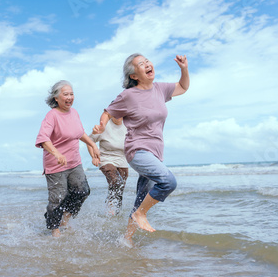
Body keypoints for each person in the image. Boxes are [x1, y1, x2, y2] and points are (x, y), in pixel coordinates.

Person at [93, 53, 189, 246]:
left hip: (155, 153)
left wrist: (184, 68)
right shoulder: (128, 95)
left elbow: (183, 87)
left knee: (142, 197)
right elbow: (108, 111)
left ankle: (126, 240)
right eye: (140, 64)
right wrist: (102, 126)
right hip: (137, 151)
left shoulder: (160, 89)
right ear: (134, 75)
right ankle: (140, 214)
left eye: (147, 61)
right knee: (168, 182)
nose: (147, 64)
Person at [36, 80, 100, 238]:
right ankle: (54, 229)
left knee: (82, 191)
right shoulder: (52, 115)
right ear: (56, 98)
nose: (70, 97)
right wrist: (57, 154)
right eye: (66, 94)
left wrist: (92, 143)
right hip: (56, 164)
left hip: (74, 163)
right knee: (58, 197)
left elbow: (79, 133)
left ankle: (64, 219)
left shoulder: (74, 113)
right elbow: (43, 138)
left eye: (71, 94)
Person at [88, 117, 128, 216]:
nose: (117, 115)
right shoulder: (104, 125)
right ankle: (109, 208)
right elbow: (90, 141)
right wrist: (94, 156)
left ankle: (116, 213)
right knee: (116, 181)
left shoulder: (128, 125)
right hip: (106, 159)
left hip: (122, 161)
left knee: (120, 187)